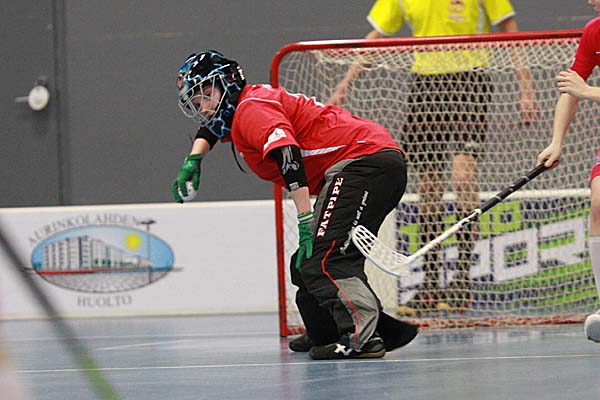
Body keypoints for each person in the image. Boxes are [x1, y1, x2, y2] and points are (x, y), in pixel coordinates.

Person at [172, 50, 418, 359]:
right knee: (305, 263)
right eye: (197, 104)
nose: (204, 109)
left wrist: (304, 220)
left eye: (206, 96)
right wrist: (194, 158)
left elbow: (289, 156)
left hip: (364, 164)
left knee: (323, 258)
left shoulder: (251, 110)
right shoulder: (244, 106)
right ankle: (325, 331)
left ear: (228, 83)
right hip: (366, 165)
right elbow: (211, 128)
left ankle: (363, 339)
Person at [328, 0, 536, 315]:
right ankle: (429, 284)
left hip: (470, 81)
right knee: (429, 189)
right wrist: (344, 84)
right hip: (426, 85)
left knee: (463, 178)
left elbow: (508, 26)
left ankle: (462, 281)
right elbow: (376, 36)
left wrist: (526, 87)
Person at [537, 0, 600, 343]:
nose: (590, 0)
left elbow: (582, 89)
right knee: (599, 205)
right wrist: (556, 141)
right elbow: (571, 88)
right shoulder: (594, 32)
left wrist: (587, 91)